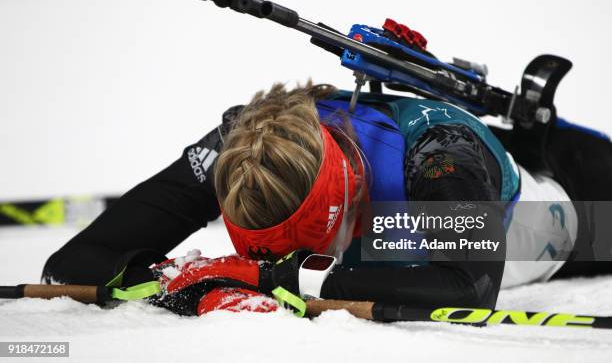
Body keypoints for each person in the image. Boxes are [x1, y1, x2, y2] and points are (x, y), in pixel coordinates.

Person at [42, 82, 612, 316]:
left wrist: (287, 281)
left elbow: (470, 287)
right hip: (418, 214)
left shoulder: (440, 154)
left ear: (345, 192)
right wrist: (171, 279)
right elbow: (72, 265)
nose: (282, 264)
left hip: (569, 215)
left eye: (313, 246)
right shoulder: (244, 145)